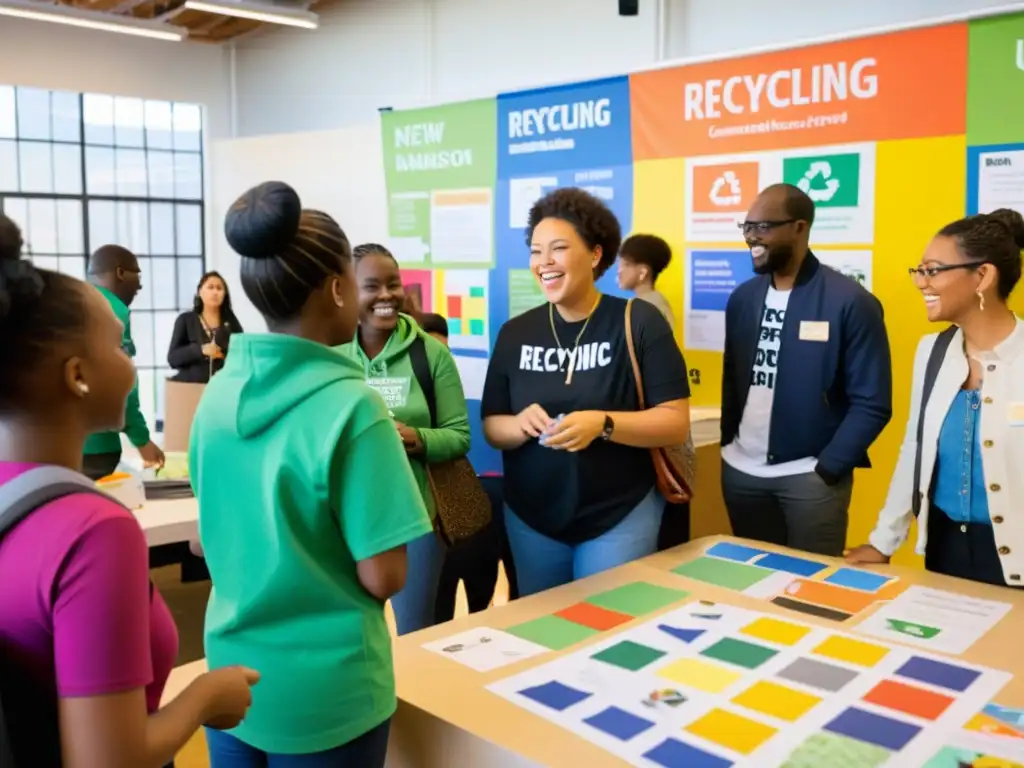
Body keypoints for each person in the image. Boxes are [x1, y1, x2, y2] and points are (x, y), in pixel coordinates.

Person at [0, 213, 256, 768]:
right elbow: (110, 758)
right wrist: (207, 696)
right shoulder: (96, 533)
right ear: (77, 376)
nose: (131, 365)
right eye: (121, 349)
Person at [190, 183, 432, 766]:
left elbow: (204, 539)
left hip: (229, 682)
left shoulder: (217, 395)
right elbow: (384, 576)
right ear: (337, 287)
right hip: (328, 695)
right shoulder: (354, 407)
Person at [481, 187, 691, 597]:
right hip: (531, 518)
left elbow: (674, 422)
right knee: (542, 634)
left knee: (610, 631)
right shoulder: (515, 333)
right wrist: (521, 424)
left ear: (595, 255)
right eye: (536, 251)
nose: (544, 263)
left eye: (558, 248)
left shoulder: (638, 320)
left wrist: (604, 424)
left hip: (619, 514)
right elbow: (493, 426)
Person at [846, 210, 1024, 587]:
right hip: (946, 549)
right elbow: (915, 447)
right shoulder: (933, 351)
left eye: (932, 270)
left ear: (983, 276)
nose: (920, 282)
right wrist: (883, 542)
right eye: (920, 270)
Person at [720, 184, 892, 557]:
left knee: (812, 592)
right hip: (741, 472)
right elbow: (732, 379)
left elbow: (873, 402)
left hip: (810, 479)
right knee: (750, 584)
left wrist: (828, 468)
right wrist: (726, 446)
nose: (751, 236)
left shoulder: (851, 301)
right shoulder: (743, 298)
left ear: (800, 227)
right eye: (746, 226)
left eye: (763, 226)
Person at [337, 243, 471, 635]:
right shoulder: (333, 354)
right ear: (345, 292)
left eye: (393, 284)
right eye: (372, 286)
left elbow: (460, 436)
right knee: (353, 628)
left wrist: (415, 438)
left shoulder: (430, 354)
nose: (385, 296)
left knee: (416, 631)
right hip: (345, 516)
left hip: (417, 517)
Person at [83, 244, 164, 480]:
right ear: (120, 273)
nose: (139, 285)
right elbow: (121, 384)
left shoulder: (70, 303)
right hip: (95, 447)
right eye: (137, 275)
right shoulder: (111, 310)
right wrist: (142, 440)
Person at [167, 271, 243, 383]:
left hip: (224, 387)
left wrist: (223, 356)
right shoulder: (185, 320)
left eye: (219, 288)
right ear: (199, 292)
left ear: (224, 294)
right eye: (210, 287)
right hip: (190, 388)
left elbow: (242, 357)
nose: (215, 292)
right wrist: (201, 350)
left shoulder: (231, 323)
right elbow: (173, 359)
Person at [617, 233, 675, 329]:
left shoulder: (648, 307)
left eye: (626, 264)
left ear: (643, 273)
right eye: (619, 264)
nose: (619, 271)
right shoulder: (646, 303)